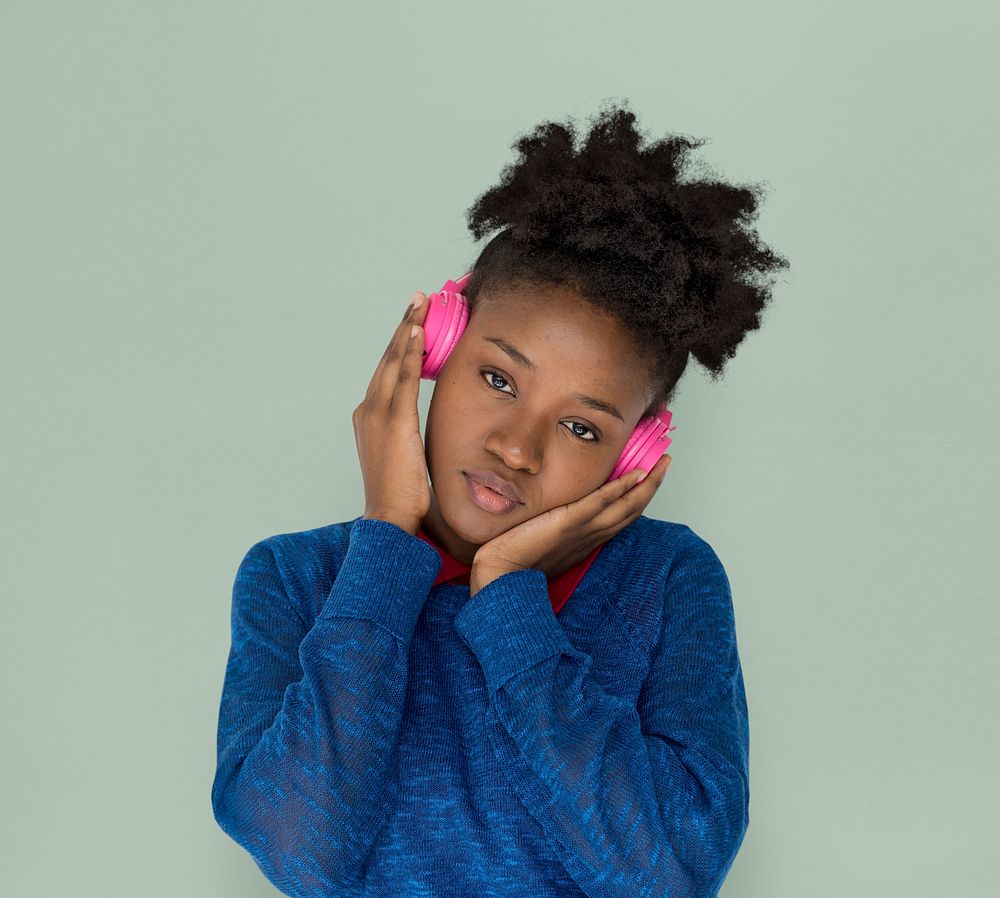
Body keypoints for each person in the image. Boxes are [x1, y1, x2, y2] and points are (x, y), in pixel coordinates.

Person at [211, 100, 789, 898]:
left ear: (637, 452)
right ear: (434, 348)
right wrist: (386, 538)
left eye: (583, 428)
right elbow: (302, 850)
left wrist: (511, 599)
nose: (517, 448)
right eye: (497, 379)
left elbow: (668, 874)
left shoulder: (668, 580)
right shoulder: (296, 578)